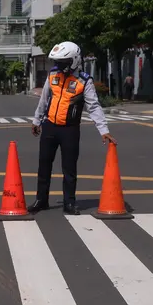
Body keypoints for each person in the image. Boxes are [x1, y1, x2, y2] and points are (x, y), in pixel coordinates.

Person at [29, 41, 117, 215]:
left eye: (63, 62)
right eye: (58, 63)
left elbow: (94, 106)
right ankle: (41, 200)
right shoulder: (53, 75)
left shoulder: (84, 81)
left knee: (69, 168)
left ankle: (69, 202)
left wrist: (104, 130)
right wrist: (37, 120)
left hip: (69, 130)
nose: (59, 66)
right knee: (44, 165)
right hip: (49, 127)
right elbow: (44, 100)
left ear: (75, 60)